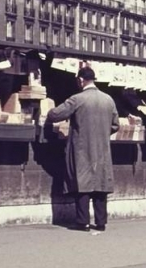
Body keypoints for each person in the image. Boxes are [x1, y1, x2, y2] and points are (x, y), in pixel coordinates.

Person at [46, 66, 120, 234]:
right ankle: (101, 223)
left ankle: (82, 222)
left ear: (80, 80)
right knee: (100, 185)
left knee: (82, 184)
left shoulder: (77, 99)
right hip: (102, 148)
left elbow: (55, 115)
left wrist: (45, 109)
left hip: (82, 148)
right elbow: (115, 125)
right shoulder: (108, 99)